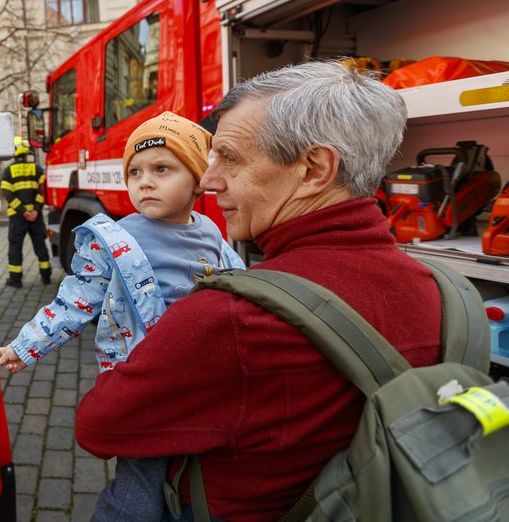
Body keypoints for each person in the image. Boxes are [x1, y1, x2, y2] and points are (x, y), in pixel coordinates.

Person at [75, 61, 444, 522]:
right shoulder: (443, 293)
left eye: (229, 158)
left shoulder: (229, 317)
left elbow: (99, 425)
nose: (209, 181)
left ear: (314, 170)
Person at [0, 112, 244, 521]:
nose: (144, 181)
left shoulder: (213, 234)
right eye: (135, 172)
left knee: (195, 479)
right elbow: (75, 300)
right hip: (144, 387)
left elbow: (243, 284)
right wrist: (26, 347)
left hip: (201, 384)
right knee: (138, 492)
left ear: (199, 179)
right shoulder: (113, 239)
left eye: (162, 169)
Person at [0, 138, 51, 287]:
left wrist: (22, 211)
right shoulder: (37, 169)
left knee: (15, 246)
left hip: (17, 217)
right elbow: (42, 192)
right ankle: (46, 276)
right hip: (36, 216)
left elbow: (8, 195)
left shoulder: (8, 171)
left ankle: (15, 280)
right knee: (40, 244)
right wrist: (35, 210)